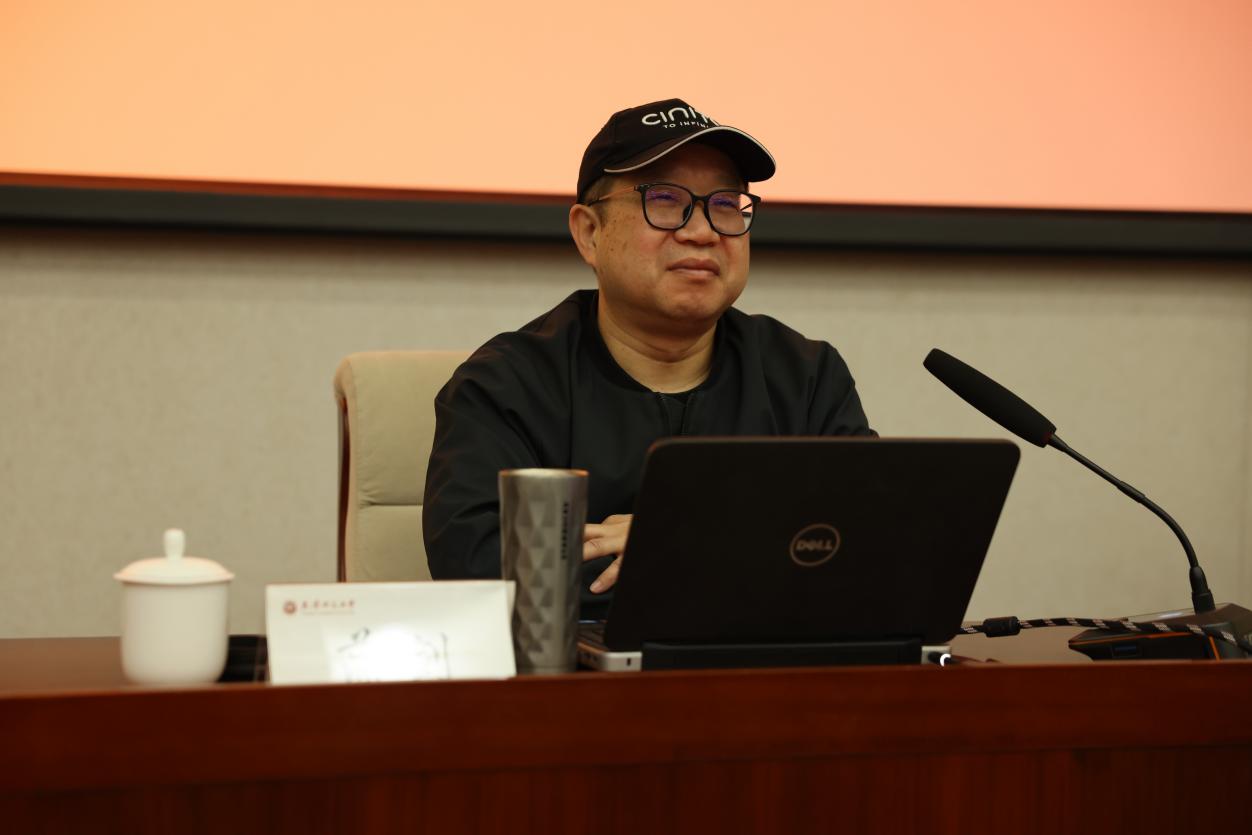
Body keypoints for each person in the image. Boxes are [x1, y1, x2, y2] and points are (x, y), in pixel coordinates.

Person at [423, 98, 874, 616]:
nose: (702, 231)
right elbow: (483, 570)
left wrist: (679, 541)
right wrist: (754, 557)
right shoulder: (506, 386)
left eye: (726, 204)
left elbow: (872, 549)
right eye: (664, 199)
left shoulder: (805, 377)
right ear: (590, 233)